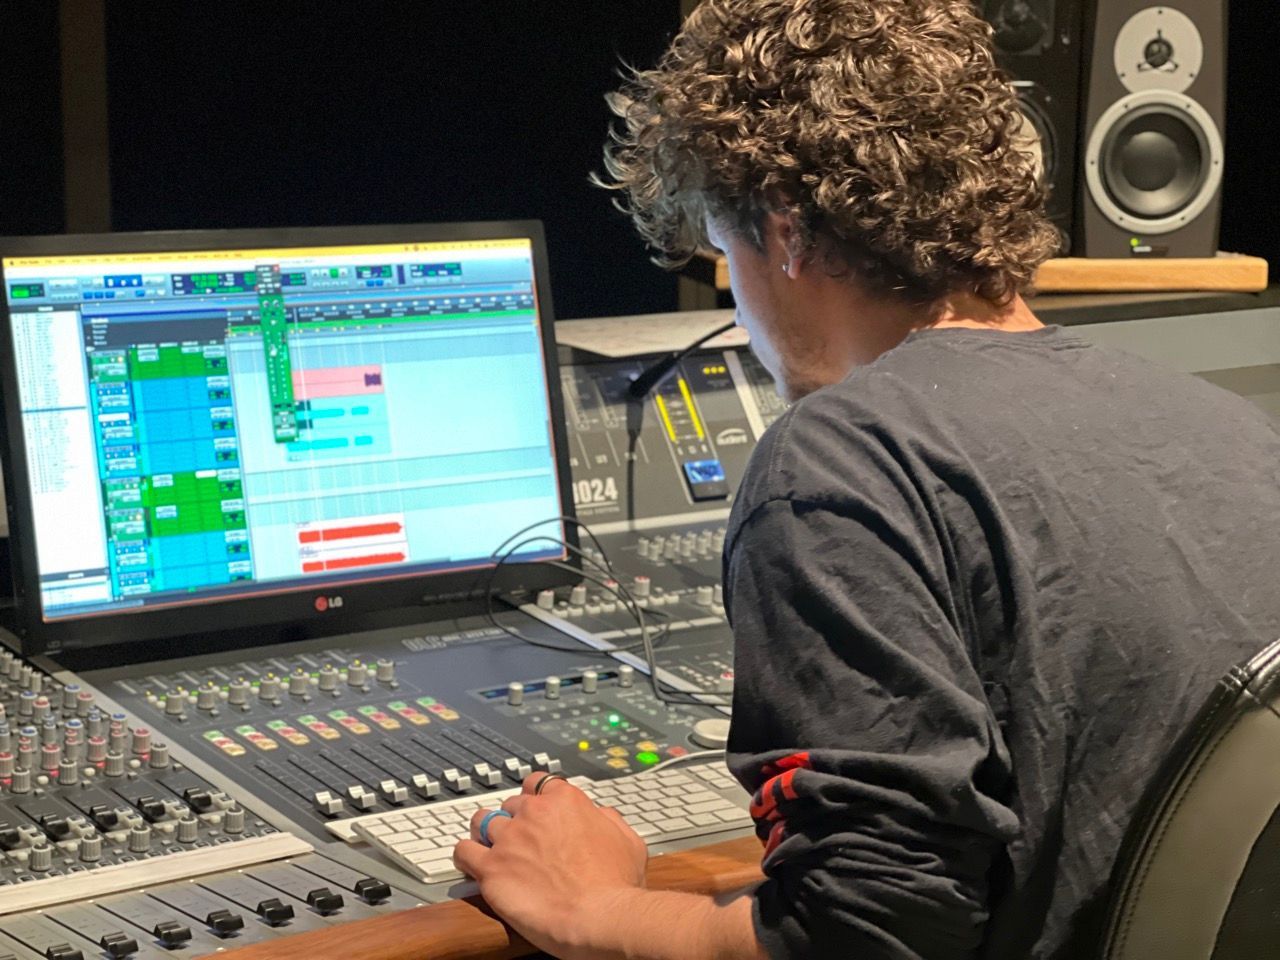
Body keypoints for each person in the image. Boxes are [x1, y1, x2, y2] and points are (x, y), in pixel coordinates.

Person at [453, 1, 1280, 958]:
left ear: (787, 235)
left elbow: (863, 936)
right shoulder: (1225, 423)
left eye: (727, 253)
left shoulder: (836, 462)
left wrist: (594, 908)